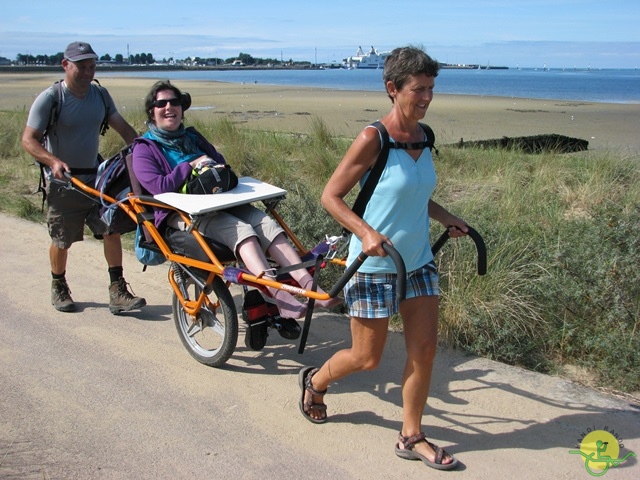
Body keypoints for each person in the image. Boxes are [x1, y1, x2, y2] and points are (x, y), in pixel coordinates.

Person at [298, 46, 467, 471]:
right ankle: (316, 382)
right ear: (392, 89)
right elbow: (330, 196)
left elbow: (414, 195)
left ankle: (412, 435)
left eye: (431, 88)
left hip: (418, 262)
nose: (426, 97)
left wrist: (447, 217)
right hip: (373, 265)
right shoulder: (373, 138)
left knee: (424, 350)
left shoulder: (425, 137)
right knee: (366, 357)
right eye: (418, 89)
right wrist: (365, 232)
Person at [131, 80, 341, 319]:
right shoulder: (144, 148)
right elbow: (158, 187)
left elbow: (220, 160)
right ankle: (281, 298)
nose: (169, 107)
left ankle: (308, 285)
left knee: (266, 223)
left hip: (217, 200)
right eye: (162, 103)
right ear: (152, 111)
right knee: (242, 230)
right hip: (181, 213)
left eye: (175, 102)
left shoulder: (191, 136)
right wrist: (189, 165)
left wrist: (209, 162)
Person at [22, 41, 146, 314]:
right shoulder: (51, 98)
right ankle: (59, 286)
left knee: (110, 228)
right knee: (62, 239)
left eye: (92, 66)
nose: (88, 72)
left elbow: (124, 129)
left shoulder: (100, 96)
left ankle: (118, 291)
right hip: (63, 182)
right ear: (65, 65)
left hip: (96, 179)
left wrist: (146, 154)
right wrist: (53, 161)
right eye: (81, 66)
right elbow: (29, 140)